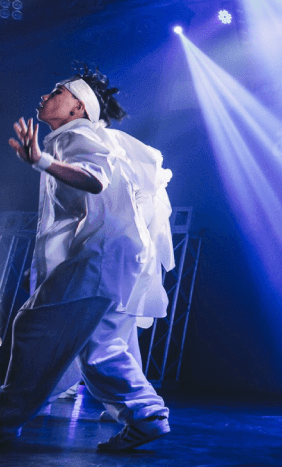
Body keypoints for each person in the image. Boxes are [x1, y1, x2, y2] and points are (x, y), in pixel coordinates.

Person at [1, 66, 174, 450]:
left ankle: (6, 417)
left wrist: (40, 160)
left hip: (100, 254)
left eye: (56, 91)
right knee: (100, 346)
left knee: (34, 327)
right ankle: (146, 415)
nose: (45, 96)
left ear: (78, 108)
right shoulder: (85, 136)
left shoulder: (74, 135)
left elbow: (95, 179)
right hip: (118, 254)